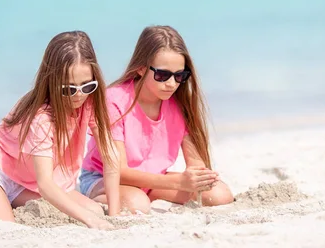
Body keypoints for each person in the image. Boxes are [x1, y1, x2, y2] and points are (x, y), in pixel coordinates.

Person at [0, 31, 119, 229]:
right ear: (52, 82)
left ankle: (2, 201)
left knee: (94, 210)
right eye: (69, 89)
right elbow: (46, 185)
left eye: (87, 85)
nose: (79, 95)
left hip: (27, 179)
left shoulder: (90, 101)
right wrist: (90, 222)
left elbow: (110, 157)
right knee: (5, 227)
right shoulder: (42, 118)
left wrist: (115, 214)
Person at [79, 25, 233, 213]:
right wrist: (178, 182)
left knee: (219, 195)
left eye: (179, 76)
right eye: (162, 75)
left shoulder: (179, 104)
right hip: (105, 178)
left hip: (155, 180)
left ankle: (149, 194)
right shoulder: (113, 101)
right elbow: (119, 171)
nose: (171, 84)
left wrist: (197, 178)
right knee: (137, 204)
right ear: (142, 69)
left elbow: (195, 163)